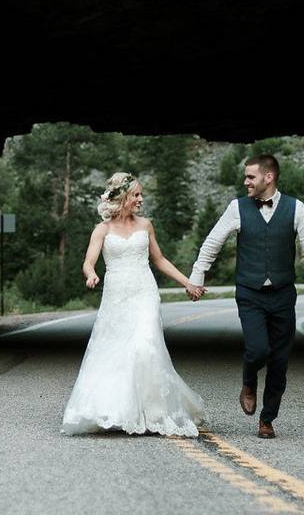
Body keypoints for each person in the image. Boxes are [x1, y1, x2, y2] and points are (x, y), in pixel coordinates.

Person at [188, 154, 304, 439]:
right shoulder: (237, 207)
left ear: (268, 177)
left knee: (280, 361)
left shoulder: (296, 209)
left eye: (251, 177)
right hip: (250, 292)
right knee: (258, 349)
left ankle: (267, 419)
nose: (245, 182)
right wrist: (198, 275)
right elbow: (213, 241)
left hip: (283, 294)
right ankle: (249, 382)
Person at [61, 172, 208, 437]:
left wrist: (187, 283)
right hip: (117, 296)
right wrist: (92, 274)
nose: (141, 199)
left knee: (145, 346)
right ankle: (118, 409)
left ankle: (154, 412)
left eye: (141, 194)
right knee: (116, 352)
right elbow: (88, 261)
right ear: (122, 198)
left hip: (144, 292)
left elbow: (160, 259)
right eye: (136, 195)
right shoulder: (102, 229)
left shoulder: (146, 225)